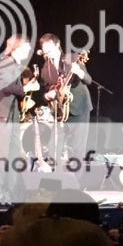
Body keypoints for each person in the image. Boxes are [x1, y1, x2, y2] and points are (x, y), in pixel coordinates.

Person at [0, 35, 39, 203]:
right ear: (18, 47)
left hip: (13, 115)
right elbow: (7, 86)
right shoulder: (4, 63)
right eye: (27, 47)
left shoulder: (16, 65)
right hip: (1, 114)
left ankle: (10, 193)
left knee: (14, 154)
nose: (29, 50)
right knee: (1, 155)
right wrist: (28, 87)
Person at [38, 33, 92, 165]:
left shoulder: (72, 58)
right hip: (60, 111)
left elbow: (88, 80)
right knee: (53, 147)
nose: (48, 54)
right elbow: (43, 92)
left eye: (50, 49)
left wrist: (79, 72)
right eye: (45, 51)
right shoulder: (45, 69)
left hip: (79, 108)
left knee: (77, 149)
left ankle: (76, 177)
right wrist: (47, 95)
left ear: (57, 45)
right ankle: (54, 174)